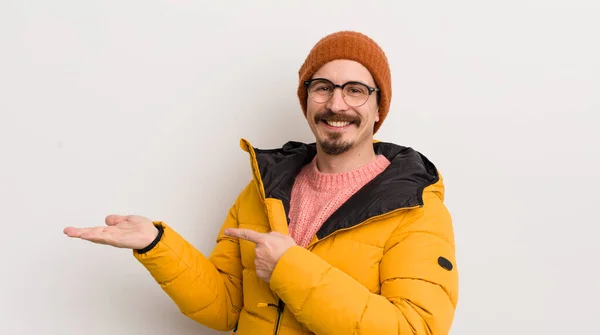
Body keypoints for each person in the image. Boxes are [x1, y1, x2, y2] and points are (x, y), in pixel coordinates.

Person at [64, 30, 459, 335]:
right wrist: (156, 244)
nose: (336, 104)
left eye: (355, 90)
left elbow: (415, 328)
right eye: (322, 88)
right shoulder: (263, 191)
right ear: (306, 100)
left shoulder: (416, 210)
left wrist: (289, 267)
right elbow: (226, 307)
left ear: (378, 109)